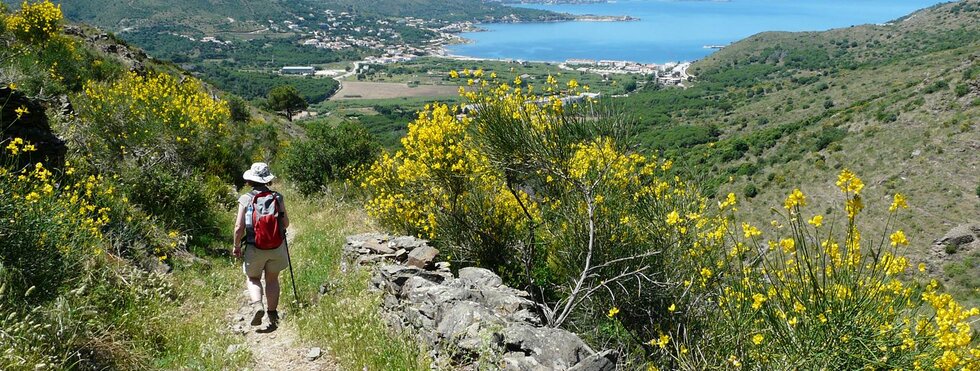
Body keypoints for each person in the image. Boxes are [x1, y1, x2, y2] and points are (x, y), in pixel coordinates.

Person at [233, 162, 290, 327]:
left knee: (253, 278)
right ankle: (272, 313)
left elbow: (239, 227)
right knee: (272, 279)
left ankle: (258, 305)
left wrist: (236, 246)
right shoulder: (277, 197)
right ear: (267, 179)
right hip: (276, 246)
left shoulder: (246, 199)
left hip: (254, 246)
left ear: (250, 180)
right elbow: (285, 223)